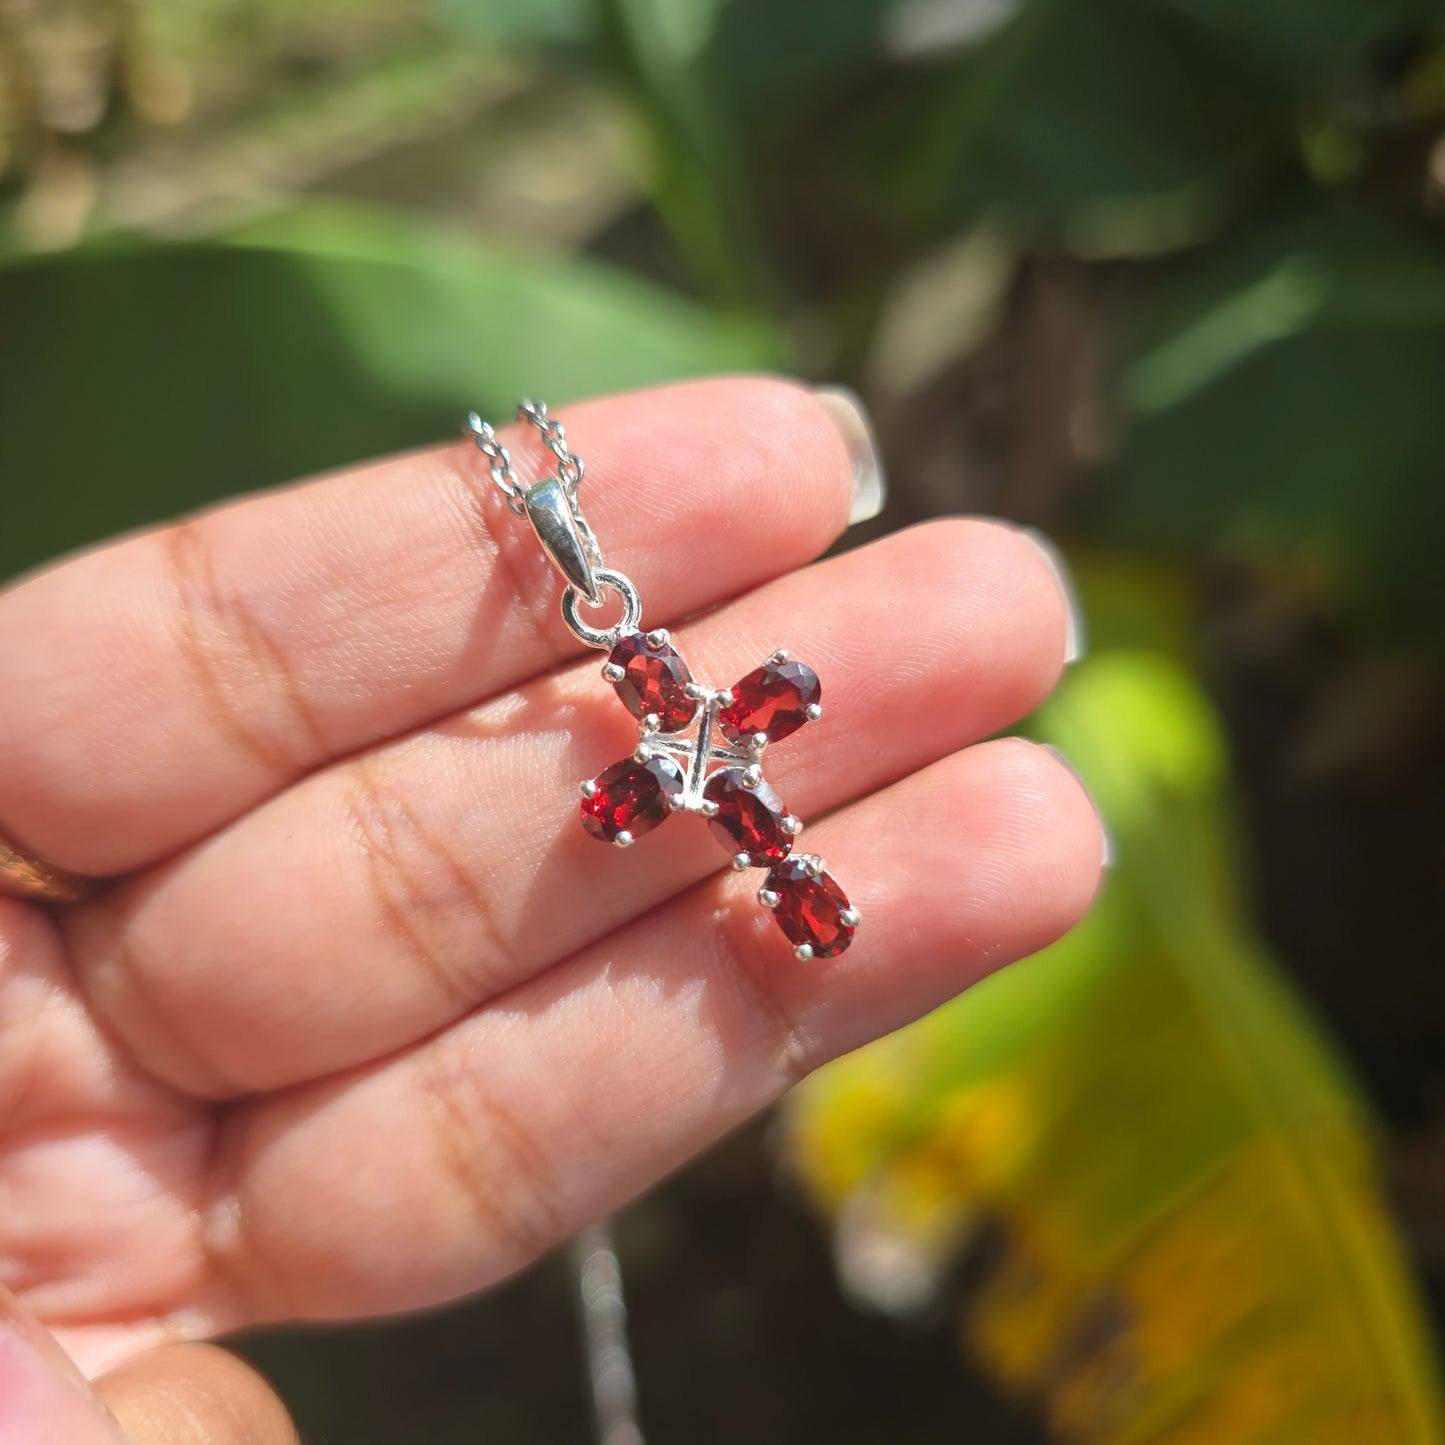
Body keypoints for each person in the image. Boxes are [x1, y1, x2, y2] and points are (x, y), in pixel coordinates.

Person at [0, 378, 1103, 1444]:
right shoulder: (672, 723)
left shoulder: (699, 721)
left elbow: (736, 719)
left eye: (748, 708)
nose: (723, 717)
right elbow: (651, 777)